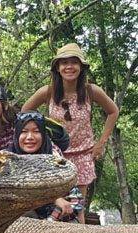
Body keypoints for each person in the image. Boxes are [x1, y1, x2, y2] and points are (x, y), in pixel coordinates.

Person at [22, 42, 119, 223]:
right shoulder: (48, 92)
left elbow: (113, 111)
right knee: (54, 204)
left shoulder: (91, 91)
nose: (69, 67)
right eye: (64, 62)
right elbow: (24, 113)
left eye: (74, 62)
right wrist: (38, 135)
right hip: (55, 156)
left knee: (78, 208)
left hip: (83, 155)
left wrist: (100, 144)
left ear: (81, 67)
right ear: (57, 68)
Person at [11, 112, 79, 221]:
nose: (29, 137)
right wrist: (54, 198)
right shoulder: (7, 160)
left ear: (43, 134)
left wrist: (59, 211)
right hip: (20, 220)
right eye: (24, 132)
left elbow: (76, 197)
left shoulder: (54, 158)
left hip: (55, 220)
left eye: (36, 131)